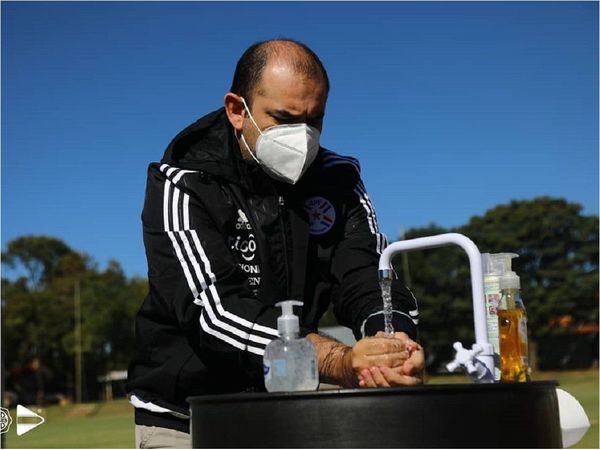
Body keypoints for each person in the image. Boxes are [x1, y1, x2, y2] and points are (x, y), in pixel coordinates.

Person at [127, 38, 424, 449]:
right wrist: (337, 359)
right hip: (189, 417)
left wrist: (393, 342)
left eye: (313, 121)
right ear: (236, 109)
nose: (300, 138)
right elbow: (212, 312)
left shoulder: (339, 180)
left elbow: (364, 271)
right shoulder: (183, 182)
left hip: (295, 406)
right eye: (283, 119)